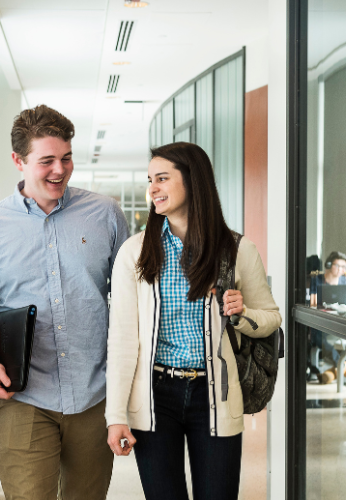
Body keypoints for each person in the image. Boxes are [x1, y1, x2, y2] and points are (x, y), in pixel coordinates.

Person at [0, 104, 129, 500]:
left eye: (66, 158)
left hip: (94, 394)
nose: (60, 170)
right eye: (46, 160)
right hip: (23, 396)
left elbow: (128, 298)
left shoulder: (105, 215)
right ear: (18, 161)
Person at [105, 142, 282, 500]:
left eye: (163, 178)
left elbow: (271, 319)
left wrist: (242, 314)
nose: (152, 188)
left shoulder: (236, 249)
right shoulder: (135, 252)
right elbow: (122, 339)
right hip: (155, 395)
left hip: (215, 394)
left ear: (193, 181)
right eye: (150, 179)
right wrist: (115, 415)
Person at [309, 251, 346, 384]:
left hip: (338, 322)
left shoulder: (344, 280)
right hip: (321, 324)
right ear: (328, 265)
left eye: (344, 267)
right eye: (337, 266)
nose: (341, 270)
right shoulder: (317, 279)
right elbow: (312, 303)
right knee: (323, 340)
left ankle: (332, 373)